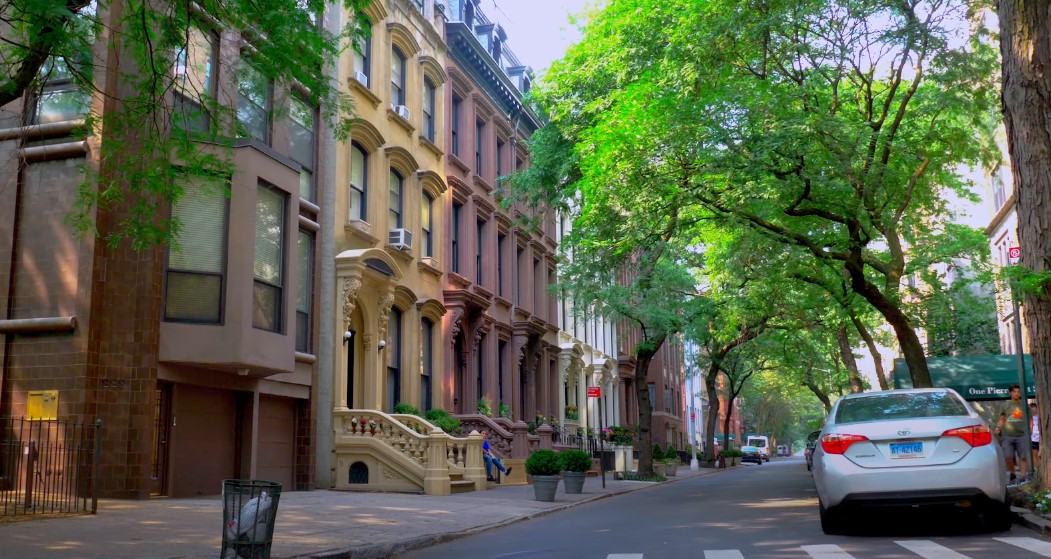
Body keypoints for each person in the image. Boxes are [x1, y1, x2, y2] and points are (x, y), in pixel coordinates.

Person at [995, 384, 1029, 482]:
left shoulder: (1024, 405)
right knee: (1008, 457)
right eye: (1014, 391)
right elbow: (1002, 419)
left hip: (1022, 435)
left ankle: (1023, 477)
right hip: (1008, 435)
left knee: (1023, 457)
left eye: (1018, 391)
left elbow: (1029, 419)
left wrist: (1029, 430)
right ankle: (1013, 473)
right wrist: (998, 427)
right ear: (1010, 393)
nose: (1017, 393)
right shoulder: (1005, 405)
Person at [1032, 401, 1041, 467]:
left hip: (1040, 438)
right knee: (1035, 453)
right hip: (1033, 438)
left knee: (1041, 454)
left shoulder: (1040, 416)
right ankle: (1037, 467)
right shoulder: (1029, 417)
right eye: (1032, 408)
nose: (1033, 409)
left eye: (1034, 407)